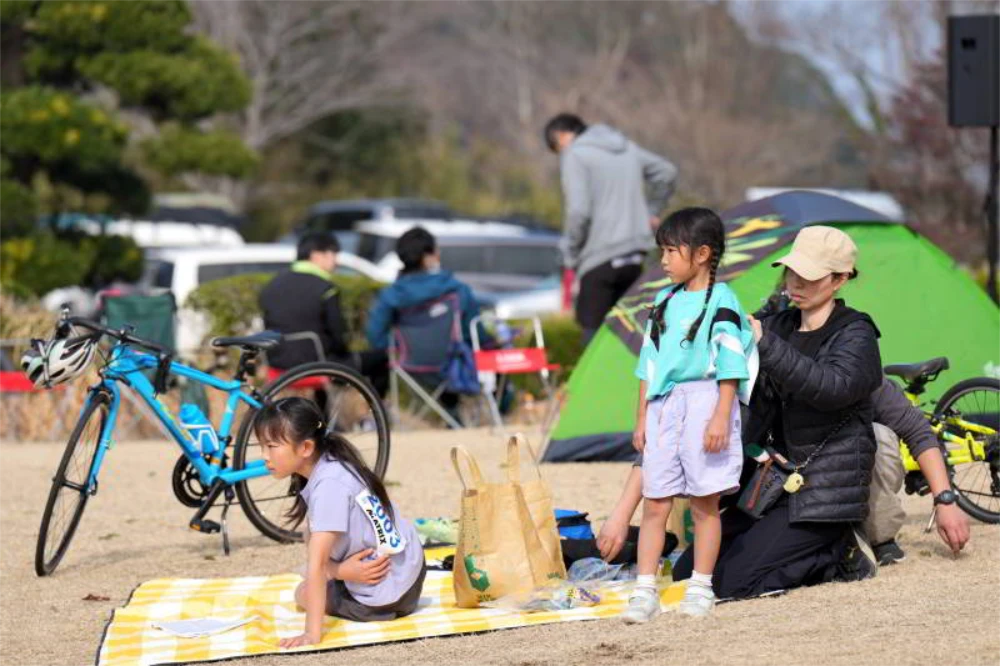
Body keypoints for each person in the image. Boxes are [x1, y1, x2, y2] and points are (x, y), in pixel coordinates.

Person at [597, 375, 971, 570]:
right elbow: (668, 442)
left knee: (879, 436)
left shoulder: (856, 364)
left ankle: (878, 537)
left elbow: (917, 431)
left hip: (841, 482)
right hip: (785, 490)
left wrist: (946, 500)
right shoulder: (754, 375)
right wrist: (620, 516)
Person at [621, 208, 756, 623]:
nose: (663, 260)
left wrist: (720, 417)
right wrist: (642, 418)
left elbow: (731, 363)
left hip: (705, 403)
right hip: (664, 407)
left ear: (701, 254)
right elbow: (648, 364)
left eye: (670, 251)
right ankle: (645, 589)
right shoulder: (663, 301)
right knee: (655, 502)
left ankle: (701, 586)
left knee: (704, 503)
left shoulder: (723, 300)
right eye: (661, 251)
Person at [255, 397, 425, 648]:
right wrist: (339, 570)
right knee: (318, 561)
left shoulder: (328, 487)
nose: (264, 456)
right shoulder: (335, 463)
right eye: (262, 446)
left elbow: (316, 565)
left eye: (271, 446)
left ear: (306, 447)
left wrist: (311, 634)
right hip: (411, 572)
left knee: (302, 593)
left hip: (382, 594)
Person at [544, 113, 678, 344]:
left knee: (593, 337)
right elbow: (667, 172)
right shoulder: (626, 147)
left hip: (599, 257)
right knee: (629, 334)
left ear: (562, 136)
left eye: (558, 149)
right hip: (635, 254)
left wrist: (570, 253)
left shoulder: (575, 154)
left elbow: (579, 212)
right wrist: (652, 212)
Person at [366, 227, 486, 421]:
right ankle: (465, 416)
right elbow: (475, 333)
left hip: (408, 364)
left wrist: (398, 347)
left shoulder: (391, 295)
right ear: (428, 256)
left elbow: (375, 336)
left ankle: (375, 419)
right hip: (453, 363)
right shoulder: (457, 290)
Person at [260, 232, 388, 395]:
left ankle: (322, 412)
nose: (336, 261)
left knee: (324, 357)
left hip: (277, 368)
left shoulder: (272, 285)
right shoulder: (325, 288)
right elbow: (338, 337)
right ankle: (375, 410)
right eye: (333, 255)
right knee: (382, 358)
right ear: (316, 255)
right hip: (319, 368)